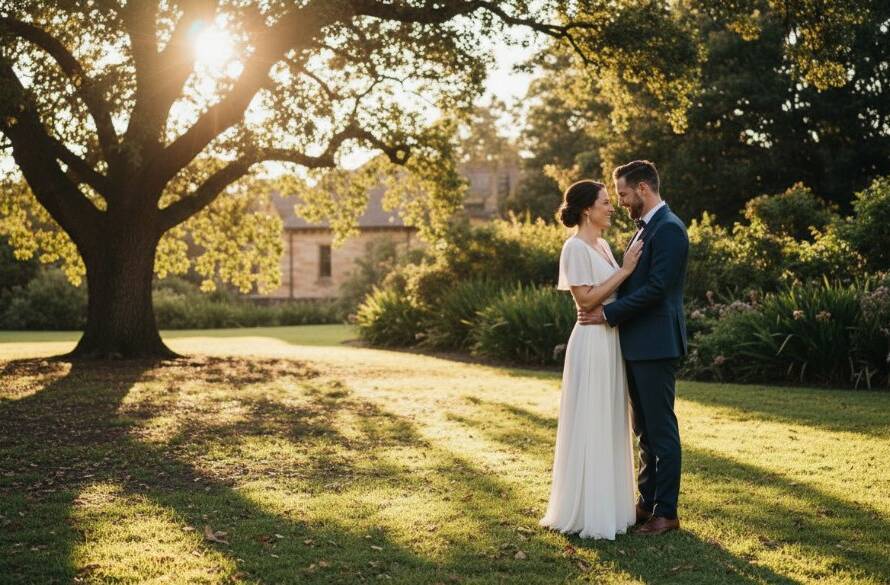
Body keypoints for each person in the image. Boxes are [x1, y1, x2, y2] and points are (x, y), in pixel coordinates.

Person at [578, 160, 689, 536]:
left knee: (661, 430)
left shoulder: (669, 229)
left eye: (623, 194)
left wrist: (607, 313)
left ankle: (667, 512)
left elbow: (656, 290)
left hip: (656, 345)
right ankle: (647, 502)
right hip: (638, 344)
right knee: (644, 429)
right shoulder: (646, 228)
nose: (621, 202)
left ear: (643, 188)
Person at [539, 179, 643, 539]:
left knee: (610, 419)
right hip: (591, 341)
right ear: (587, 209)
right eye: (604, 202)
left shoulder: (602, 245)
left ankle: (612, 507)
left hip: (610, 339)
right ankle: (586, 510)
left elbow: (610, 294)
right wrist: (626, 270)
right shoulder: (575, 248)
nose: (611, 207)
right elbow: (585, 300)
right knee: (592, 418)